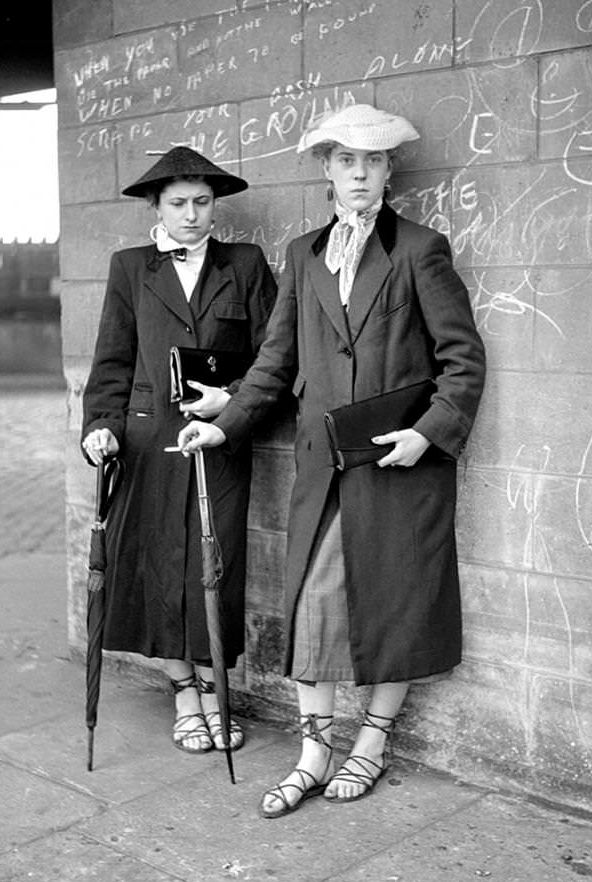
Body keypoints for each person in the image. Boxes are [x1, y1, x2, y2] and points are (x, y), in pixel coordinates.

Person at [177, 103, 486, 816]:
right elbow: (276, 362)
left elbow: (463, 361)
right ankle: (314, 754)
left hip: (400, 463)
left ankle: (371, 745)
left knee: (398, 605)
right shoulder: (302, 255)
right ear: (327, 168)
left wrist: (427, 433)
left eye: (372, 161)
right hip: (325, 467)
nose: (360, 174)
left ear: (388, 170)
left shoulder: (421, 249)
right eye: (346, 160)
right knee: (314, 607)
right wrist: (224, 425)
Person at [81, 146, 277, 756]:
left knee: (213, 565)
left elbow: (275, 355)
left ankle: (217, 693)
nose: (192, 215)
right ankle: (185, 694)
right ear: (156, 207)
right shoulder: (130, 267)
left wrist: (232, 399)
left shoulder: (245, 264)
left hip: (219, 439)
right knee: (160, 564)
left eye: (202, 202)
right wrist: (101, 427)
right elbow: (113, 359)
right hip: (147, 441)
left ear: (215, 206)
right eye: (178, 204)